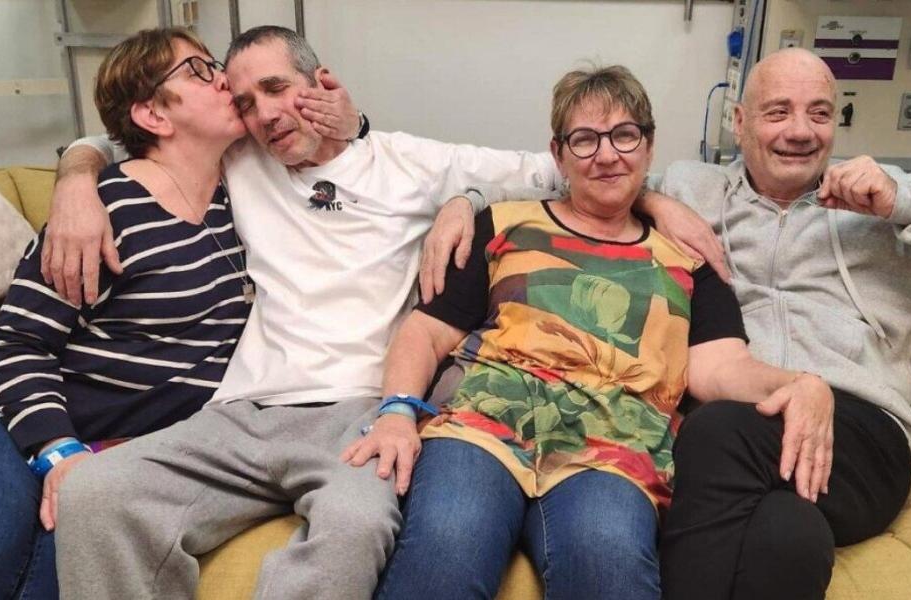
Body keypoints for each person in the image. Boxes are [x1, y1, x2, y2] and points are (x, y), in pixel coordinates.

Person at [43, 25, 586, 600]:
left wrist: (467, 201)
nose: (266, 114)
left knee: (357, 523)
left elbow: (566, 172)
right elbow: (118, 135)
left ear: (321, 82)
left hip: (357, 414)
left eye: (278, 88)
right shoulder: (240, 157)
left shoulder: (409, 162)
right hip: (240, 411)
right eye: (246, 101)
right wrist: (76, 180)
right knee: (95, 493)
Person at [452, 48, 911, 599]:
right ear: (738, 123)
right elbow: (589, 174)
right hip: (750, 424)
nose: (800, 131)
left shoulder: (887, 208)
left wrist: (902, 198)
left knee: (712, 432)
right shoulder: (696, 188)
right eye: (778, 111)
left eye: (819, 113)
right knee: (791, 538)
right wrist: (467, 202)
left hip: (857, 437)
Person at [337, 65, 835, 600]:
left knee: (608, 558)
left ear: (648, 147)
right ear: (558, 154)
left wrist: (799, 384)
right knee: (448, 543)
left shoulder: (688, 260)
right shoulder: (503, 224)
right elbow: (426, 334)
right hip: (480, 432)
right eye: (585, 140)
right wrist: (396, 412)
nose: (606, 154)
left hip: (614, 449)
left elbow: (720, 367)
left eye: (624, 136)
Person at [0, 27, 265, 600]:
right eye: (197, 70)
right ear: (154, 116)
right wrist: (57, 450)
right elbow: (19, 342)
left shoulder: (247, 195)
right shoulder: (106, 210)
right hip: (38, 425)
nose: (223, 77)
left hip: (135, 451)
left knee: (61, 564)